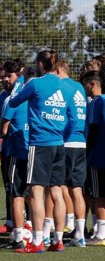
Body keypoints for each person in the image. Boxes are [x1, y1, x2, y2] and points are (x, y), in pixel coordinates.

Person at [9, 50, 76, 253]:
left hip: (39, 144)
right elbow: (72, 119)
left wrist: (21, 82)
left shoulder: (35, 84)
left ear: (39, 64)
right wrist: (63, 136)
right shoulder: (65, 87)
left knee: (36, 191)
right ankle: (58, 240)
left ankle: (37, 241)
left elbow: (13, 102)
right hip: (59, 144)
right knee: (56, 192)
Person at [1, 67, 35, 250]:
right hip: (36, 152)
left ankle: (18, 237)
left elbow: (3, 129)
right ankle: (40, 235)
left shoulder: (15, 100)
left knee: (16, 195)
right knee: (36, 194)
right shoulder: (39, 100)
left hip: (17, 152)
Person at [56, 61, 88, 247]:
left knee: (57, 186)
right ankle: (80, 234)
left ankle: (61, 226)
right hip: (81, 142)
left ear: (59, 71)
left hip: (66, 142)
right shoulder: (79, 87)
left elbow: (66, 117)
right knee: (76, 189)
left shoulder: (62, 86)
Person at [0, 59, 24, 234]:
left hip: (22, 147)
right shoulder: (3, 96)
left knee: (24, 190)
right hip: (7, 147)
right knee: (9, 186)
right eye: (2, 76)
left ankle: (25, 226)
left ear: (18, 75)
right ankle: (10, 221)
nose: (3, 79)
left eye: (7, 76)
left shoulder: (24, 92)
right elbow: (0, 126)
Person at [82, 70, 105, 245]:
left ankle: (100, 234)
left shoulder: (97, 102)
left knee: (98, 196)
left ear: (92, 84)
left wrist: (87, 151)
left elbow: (94, 130)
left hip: (97, 156)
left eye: (85, 85)